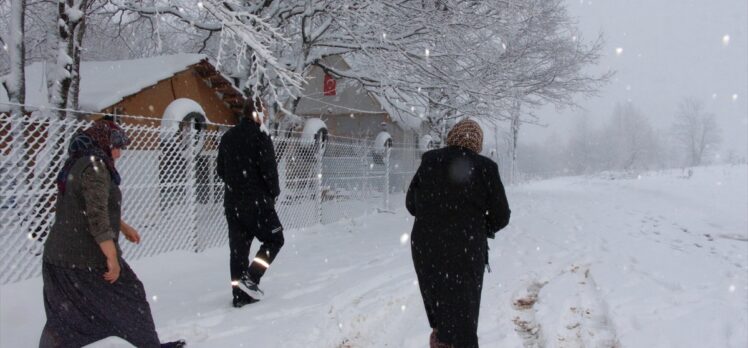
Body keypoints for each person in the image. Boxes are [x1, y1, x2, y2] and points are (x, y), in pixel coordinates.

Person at [39, 120, 185, 348]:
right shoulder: (95, 167)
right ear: (103, 142)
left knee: (69, 315)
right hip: (84, 259)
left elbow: (86, 205)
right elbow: (96, 215)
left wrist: (123, 227)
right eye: (116, 146)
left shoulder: (78, 161)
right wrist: (111, 258)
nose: (118, 153)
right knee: (130, 297)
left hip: (57, 259)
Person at [406, 119, 511, 348]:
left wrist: (434, 215)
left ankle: (441, 340)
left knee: (440, 311)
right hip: (466, 247)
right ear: (478, 143)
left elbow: (411, 204)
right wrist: (480, 227)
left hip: (426, 246)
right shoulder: (486, 168)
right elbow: (502, 216)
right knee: (464, 316)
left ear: (452, 136)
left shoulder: (430, 160)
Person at [217, 102, 284, 308]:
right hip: (257, 203)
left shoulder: (228, 137)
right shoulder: (261, 137)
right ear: (257, 115)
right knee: (275, 239)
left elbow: (220, 171)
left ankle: (239, 295)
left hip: (233, 203)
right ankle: (251, 278)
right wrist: (273, 193)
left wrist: (236, 183)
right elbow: (269, 171)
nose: (264, 117)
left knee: (238, 250)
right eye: (263, 113)